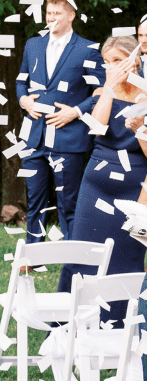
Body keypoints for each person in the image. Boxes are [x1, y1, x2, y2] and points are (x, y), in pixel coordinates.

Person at [58, 36, 147, 324]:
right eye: (107, 62)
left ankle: (119, 328)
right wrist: (109, 88)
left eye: (118, 61)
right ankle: (68, 329)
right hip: (96, 184)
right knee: (81, 253)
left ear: (134, 59)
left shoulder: (145, 96)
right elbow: (96, 129)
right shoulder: (102, 91)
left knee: (127, 258)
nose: (111, 67)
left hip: (134, 188)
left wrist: (141, 128)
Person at [15, 0, 103, 242]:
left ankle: (72, 256)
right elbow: (21, 79)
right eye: (48, 13)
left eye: (57, 13)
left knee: (69, 201)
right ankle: (33, 254)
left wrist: (75, 112)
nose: (51, 18)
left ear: (71, 15)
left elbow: (101, 91)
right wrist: (23, 100)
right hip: (34, 136)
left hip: (69, 135)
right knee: (34, 200)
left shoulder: (88, 49)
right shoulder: (33, 44)